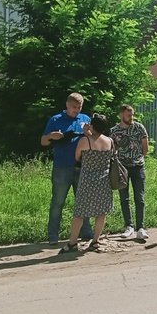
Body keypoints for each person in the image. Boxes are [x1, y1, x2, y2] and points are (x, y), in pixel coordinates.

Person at [40, 93, 93, 244]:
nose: (77, 110)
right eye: (74, 107)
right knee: (58, 202)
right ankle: (53, 235)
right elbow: (43, 141)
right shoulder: (56, 120)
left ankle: (86, 232)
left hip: (82, 166)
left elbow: (93, 140)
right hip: (62, 167)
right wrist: (51, 136)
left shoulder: (85, 119)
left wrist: (88, 134)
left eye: (79, 107)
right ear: (67, 105)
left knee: (83, 201)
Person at [59, 114, 114, 253]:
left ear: (93, 125)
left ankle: (72, 243)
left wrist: (87, 133)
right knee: (101, 212)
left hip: (87, 181)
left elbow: (77, 156)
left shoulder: (85, 141)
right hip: (103, 181)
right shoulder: (110, 141)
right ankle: (95, 241)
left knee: (80, 213)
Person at [111, 104, 149, 239]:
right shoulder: (114, 131)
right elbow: (113, 149)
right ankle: (129, 226)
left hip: (138, 166)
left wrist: (139, 157)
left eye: (132, 114)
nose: (131, 117)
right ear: (121, 115)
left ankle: (141, 227)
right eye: (128, 115)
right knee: (124, 197)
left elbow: (145, 147)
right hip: (122, 168)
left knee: (140, 197)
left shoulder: (139, 128)